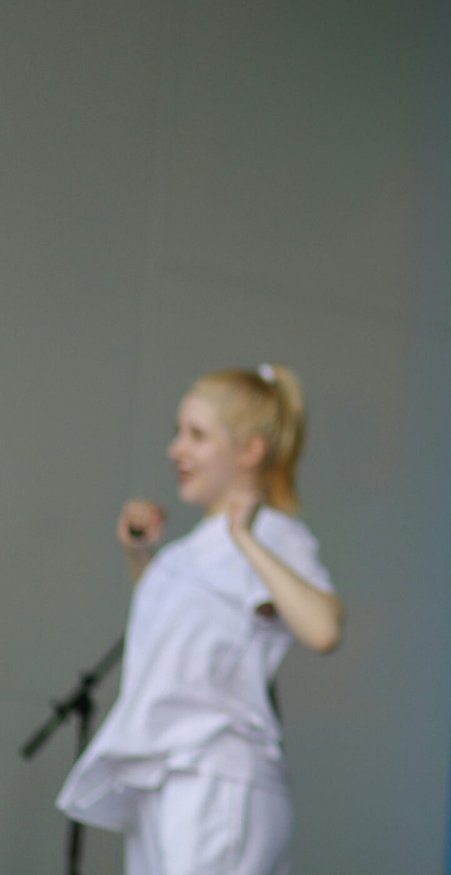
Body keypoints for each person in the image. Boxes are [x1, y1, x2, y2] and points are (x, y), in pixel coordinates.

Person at [57, 364, 343, 875]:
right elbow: (168, 642)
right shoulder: (190, 548)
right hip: (166, 775)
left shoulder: (271, 534)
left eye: (196, 435)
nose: (176, 449)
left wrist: (249, 541)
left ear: (249, 451)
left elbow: (323, 629)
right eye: (177, 433)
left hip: (218, 777)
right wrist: (142, 557)